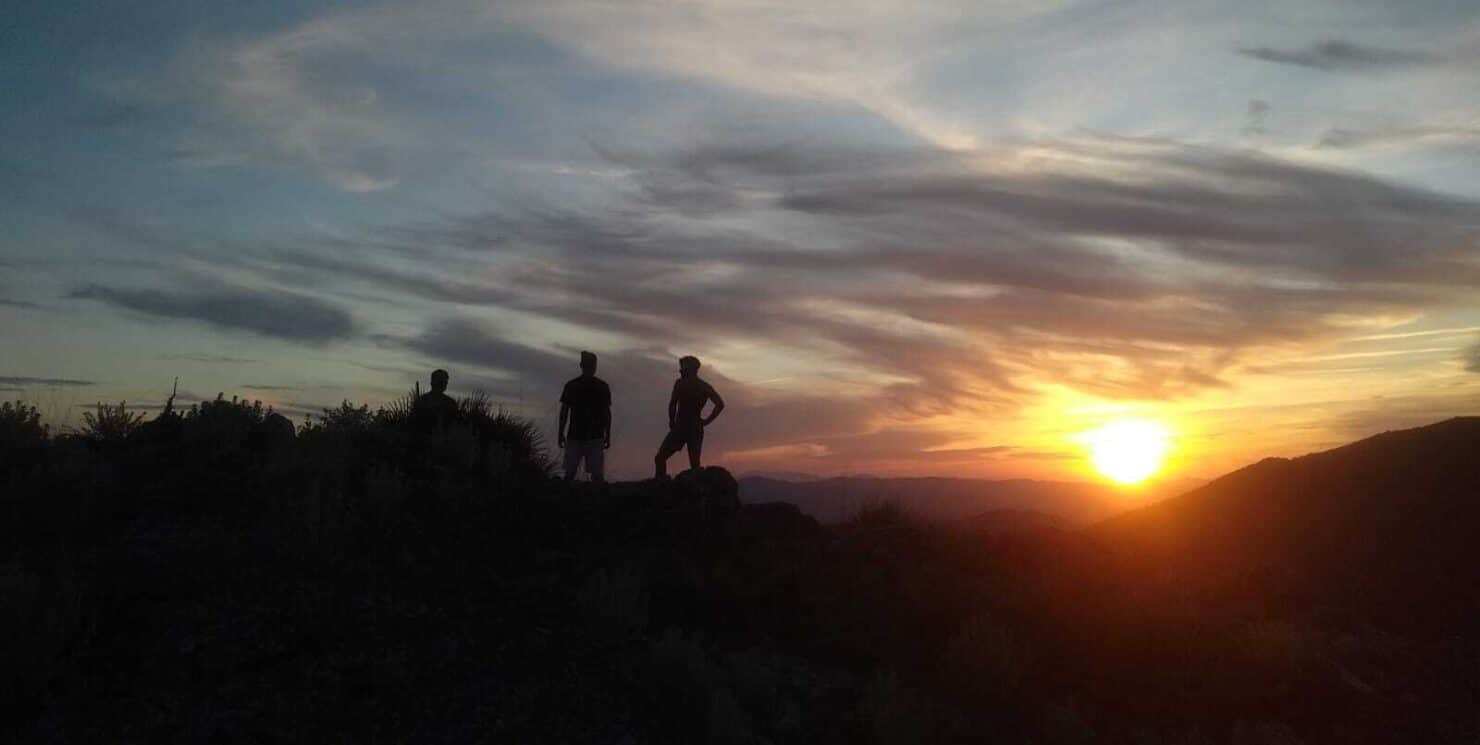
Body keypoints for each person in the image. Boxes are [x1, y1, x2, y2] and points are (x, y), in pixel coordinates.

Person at [655, 355, 724, 478]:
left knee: (660, 458)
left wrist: (672, 421)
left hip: (681, 426)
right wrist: (706, 421)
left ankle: (660, 486)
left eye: (683, 367)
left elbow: (672, 404)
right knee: (694, 465)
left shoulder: (680, 384)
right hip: (694, 426)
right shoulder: (704, 386)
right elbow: (720, 404)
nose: (680, 370)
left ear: (691, 368)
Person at [559, 351, 612, 482]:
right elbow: (607, 414)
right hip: (594, 436)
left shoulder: (571, 385)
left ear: (581, 365)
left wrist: (560, 433)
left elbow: (564, 412)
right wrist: (608, 434)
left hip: (576, 435)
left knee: (570, 474)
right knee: (597, 476)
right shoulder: (602, 386)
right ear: (595, 366)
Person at [412, 368, 461, 433]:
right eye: (440, 381)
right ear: (432, 382)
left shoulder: (451, 403)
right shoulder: (421, 401)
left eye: (445, 382)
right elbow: (414, 425)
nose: (443, 384)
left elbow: (455, 425)